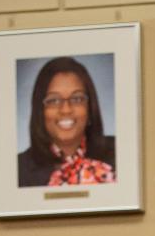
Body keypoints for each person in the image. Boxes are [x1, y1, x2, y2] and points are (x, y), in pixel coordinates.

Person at [18, 56, 116, 186]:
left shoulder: (121, 153)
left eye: (76, 99)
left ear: (90, 107)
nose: (66, 110)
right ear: (40, 111)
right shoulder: (18, 171)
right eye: (53, 100)